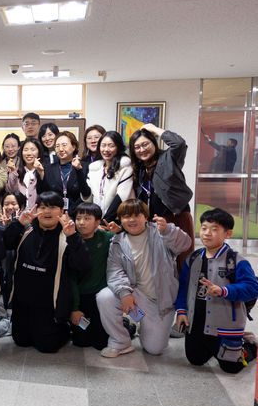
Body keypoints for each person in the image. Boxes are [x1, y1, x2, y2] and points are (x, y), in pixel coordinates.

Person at [96, 199, 192, 357]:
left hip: (161, 302)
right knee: (105, 297)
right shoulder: (117, 242)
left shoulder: (160, 232)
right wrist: (124, 293)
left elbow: (185, 244)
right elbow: (115, 272)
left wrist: (168, 230)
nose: (132, 220)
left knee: (155, 349)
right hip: (136, 296)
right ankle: (121, 342)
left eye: (136, 215)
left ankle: (143, 326)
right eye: (126, 216)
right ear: (120, 219)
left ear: (145, 217)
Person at [3, 191, 90, 353]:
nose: (48, 211)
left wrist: (73, 237)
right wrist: (18, 224)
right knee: (21, 341)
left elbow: (82, 265)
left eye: (53, 207)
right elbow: (6, 243)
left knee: (47, 346)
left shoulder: (67, 236)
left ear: (62, 211)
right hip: (23, 301)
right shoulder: (26, 231)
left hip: (49, 304)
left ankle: (64, 326)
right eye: (43, 207)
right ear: (36, 210)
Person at [175, 208, 258, 373]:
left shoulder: (236, 260)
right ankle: (215, 348)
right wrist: (181, 311)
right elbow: (183, 286)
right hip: (197, 323)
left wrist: (223, 290)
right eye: (204, 228)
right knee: (195, 360)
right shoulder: (192, 258)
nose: (207, 233)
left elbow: (252, 288)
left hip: (225, 325)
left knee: (231, 367)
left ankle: (250, 344)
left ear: (227, 233)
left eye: (214, 229)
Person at [129, 123, 194, 269]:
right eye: (137, 147)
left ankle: (184, 291)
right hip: (152, 222)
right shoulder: (138, 169)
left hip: (176, 216)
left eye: (145, 144)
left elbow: (179, 143)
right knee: (159, 265)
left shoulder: (168, 158)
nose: (142, 149)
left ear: (153, 142)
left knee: (181, 262)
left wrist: (154, 129)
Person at [70, 202, 113, 350]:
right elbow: (70, 279)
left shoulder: (105, 237)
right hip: (80, 298)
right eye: (78, 218)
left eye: (87, 218)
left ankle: (124, 326)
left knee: (100, 342)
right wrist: (74, 308)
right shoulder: (72, 241)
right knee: (81, 340)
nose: (81, 222)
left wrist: (119, 231)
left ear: (97, 222)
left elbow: (126, 239)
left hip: (100, 297)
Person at [39, 131, 91, 217]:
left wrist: (79, 170)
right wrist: (40, 173)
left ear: (73, 147)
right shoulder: (48, 169)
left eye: (64, 145)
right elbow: (43, 193)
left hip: (79, 215)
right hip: (55, 215)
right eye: (57, 146)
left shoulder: (85, 166)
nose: (60, 149)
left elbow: (86, 194)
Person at [87, 131, 133, 223]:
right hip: (97, 220)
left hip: (117, 219)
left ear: (118, 147)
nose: (106, 149)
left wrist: (105, 222)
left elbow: (121, 197)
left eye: (111, 146)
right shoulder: (94, 169)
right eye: (103, 145)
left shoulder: (125, 166)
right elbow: (89, 195)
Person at [6, 137, 44, 210]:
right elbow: (10, 191)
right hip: (19, 214)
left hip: (37, 214)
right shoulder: (16, 171)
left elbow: (46, 191)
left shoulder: (44, 170)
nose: (29, 153)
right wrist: (13, 171)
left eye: (33, 150)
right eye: (26, 150)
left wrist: (40, 171)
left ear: (39, 152)